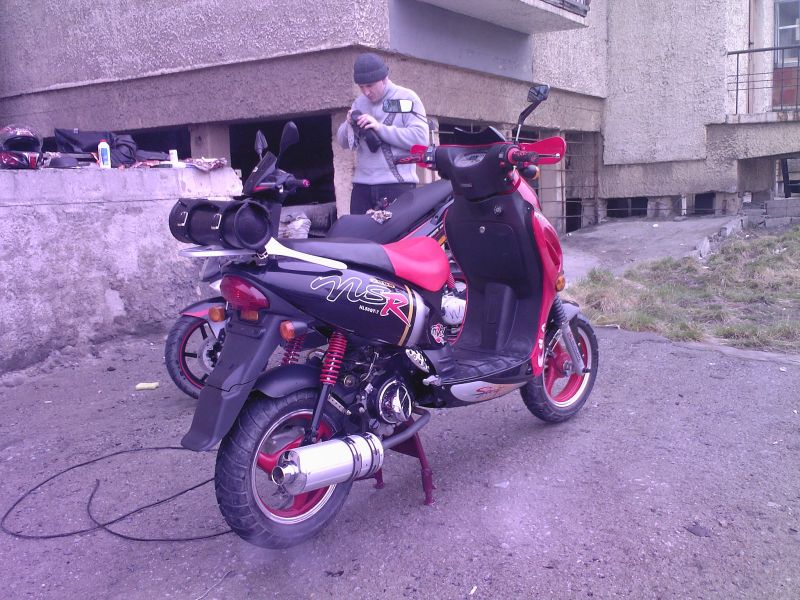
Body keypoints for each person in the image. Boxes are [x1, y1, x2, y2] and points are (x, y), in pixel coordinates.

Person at [336, 53, 430, 215]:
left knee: (398, 233)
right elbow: (342, 142)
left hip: (397, 186)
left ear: (384, 79)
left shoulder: (406, 98)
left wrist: (380, 128)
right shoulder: (359, 103)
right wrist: (348, 124)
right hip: (362, 187)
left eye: (370, 85)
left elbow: (421, 140)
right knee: (356, 232)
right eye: (361, 87)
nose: (366, 92)